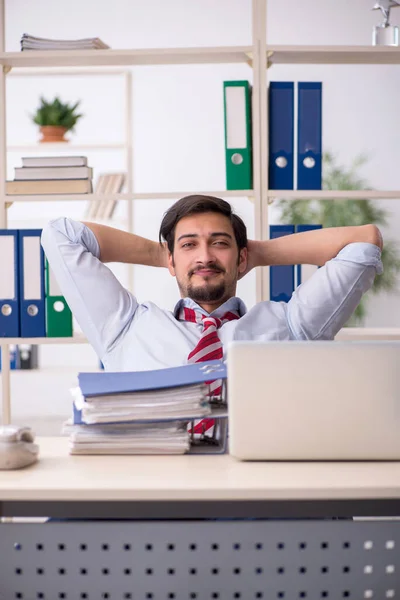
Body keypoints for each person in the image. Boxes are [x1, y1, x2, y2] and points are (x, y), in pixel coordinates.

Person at [41, 194, 383, 372]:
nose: (204, 257)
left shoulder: (293, 324)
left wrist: (256, 253)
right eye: (189, 244)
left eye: (219, 243)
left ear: (242, 258)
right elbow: (60, 235)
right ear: (171, 260)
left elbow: (365, 242)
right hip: (156, 490)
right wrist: (163, 255)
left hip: (254, 492)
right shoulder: (123, 327)